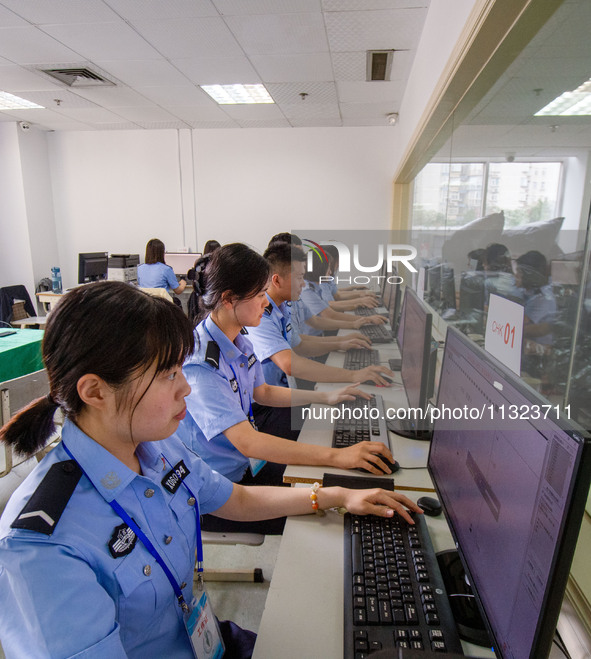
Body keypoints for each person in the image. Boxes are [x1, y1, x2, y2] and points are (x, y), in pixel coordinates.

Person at [0, 281, 421, 659]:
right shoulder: (40, 550)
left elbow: (235, 498)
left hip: (203, 640)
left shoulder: (156, 444)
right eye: (168, 375)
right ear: (95, 391)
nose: (186, 385)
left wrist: (335, 496)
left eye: (181, 368)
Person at [176, 244, 398, 498]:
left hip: (247, 464)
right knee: (331, 495)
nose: (264, 301)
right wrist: (337, 456)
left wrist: (325, 397)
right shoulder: (201, 365)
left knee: (338, 477)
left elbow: (263, 391)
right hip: (220, 487)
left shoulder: (238, 338)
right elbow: (247, 441)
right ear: (228, 299)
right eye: (259, 294)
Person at [247, 242, 394, 388]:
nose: (303, 284)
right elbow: (290, 364)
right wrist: (353, 375)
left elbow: (300, 344)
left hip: (287, 390)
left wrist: (341, 342)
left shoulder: (283, 307)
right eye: (299, 277)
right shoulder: (261, 316)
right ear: (277, 280)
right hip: (270, 404)